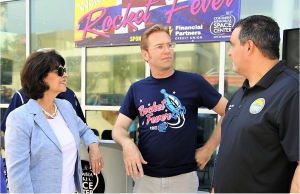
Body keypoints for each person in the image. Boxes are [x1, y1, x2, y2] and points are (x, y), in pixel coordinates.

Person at [112, 24, 228, 193]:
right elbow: (118, 129)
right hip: (145, 179)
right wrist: (128, 144)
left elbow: (229, 111)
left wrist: (208, 150)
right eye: (159, 47)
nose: (167, 50)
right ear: (146, 55)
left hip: (183, 180)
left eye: (169, 45)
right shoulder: (137, 89)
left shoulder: (194, 83)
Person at [212, 15, 299, 193]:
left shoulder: (293, 91)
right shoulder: (240, 93)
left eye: (233, 45)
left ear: (250, 46)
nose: (229, 52)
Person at [4, 50, 104, 193]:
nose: (65, 75)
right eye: (60, 71)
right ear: (41, 77)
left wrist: (93, 148)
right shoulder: (19, 118)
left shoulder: (65, 108)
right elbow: (18, 179)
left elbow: (85, 130)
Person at [1, 87, 86, 132]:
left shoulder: (69, 96)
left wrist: (92, 145)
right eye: (59, 71)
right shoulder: (21, 95)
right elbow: (9, 131)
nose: (64, 75)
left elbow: (82, 128)